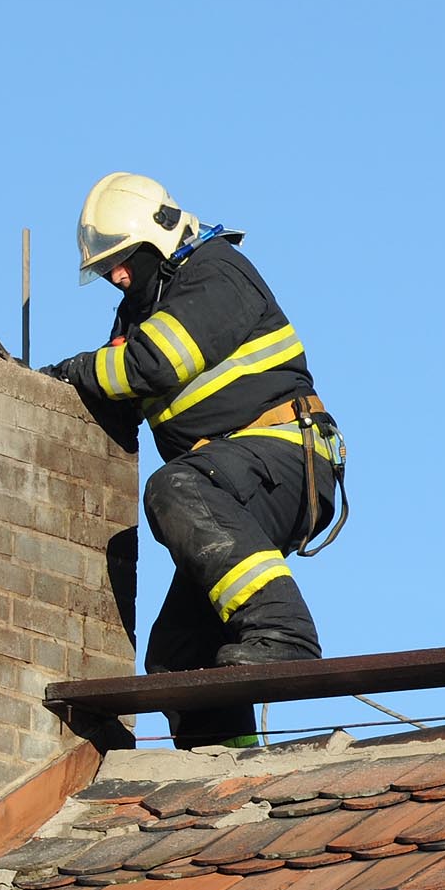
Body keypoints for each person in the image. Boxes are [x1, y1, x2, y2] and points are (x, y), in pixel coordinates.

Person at [42, 173, 343, 750]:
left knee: (171, 489)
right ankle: (230, 780)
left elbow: (151, 366)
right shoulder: (138, 309)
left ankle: (284, 634)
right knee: (181, 661)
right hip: (226, 477)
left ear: (157, 239)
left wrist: (71, 371)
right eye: (106, 267)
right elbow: (115, 395)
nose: (117, 275)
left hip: (283, 458)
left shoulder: (215, 272)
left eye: (124, 259)